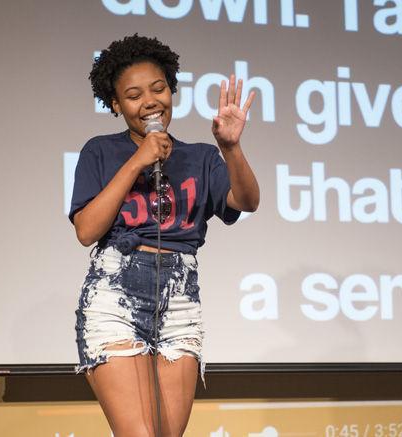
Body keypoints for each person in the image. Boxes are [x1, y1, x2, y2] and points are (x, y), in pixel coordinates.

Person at [69, 34, 259, 437]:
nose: (150, 101)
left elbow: (247, 201)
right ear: (116, 105)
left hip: (180, 300)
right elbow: (87, 230)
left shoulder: (201, 157)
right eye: (134, 95)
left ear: (172, 90)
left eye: (158, 89)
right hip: (115, 294)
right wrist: (139, 159)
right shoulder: (100, 152)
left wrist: (231, 148)